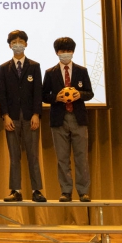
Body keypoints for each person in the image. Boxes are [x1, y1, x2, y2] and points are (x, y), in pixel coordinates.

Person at [42, 37, 95, 202]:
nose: (66, 54)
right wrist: (56, 98)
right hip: (59, 119)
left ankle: (83, 191)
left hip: (78, 118)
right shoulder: (50, 73)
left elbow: (90, 93)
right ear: (57, 52)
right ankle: (65, 191)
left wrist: (80, 94)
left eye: (68, 51)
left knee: (81, 157)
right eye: (62, 51)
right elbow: (44, 95)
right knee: (62, 158)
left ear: (73, 52)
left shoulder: (81, 71)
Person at [0, 30, 45, 202]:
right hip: (12, 117)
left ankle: (36, 190)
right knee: (14, 156)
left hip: (30, 116)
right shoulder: (4, 68)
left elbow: (38, 92)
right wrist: (5, 115)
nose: (17, 44)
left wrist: (36, 114)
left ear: (26, 44)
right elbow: (2, 94)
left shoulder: (34, 66)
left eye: (21, 41)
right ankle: (15, 190)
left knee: (33, 155)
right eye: (14, 42)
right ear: (10, 45)